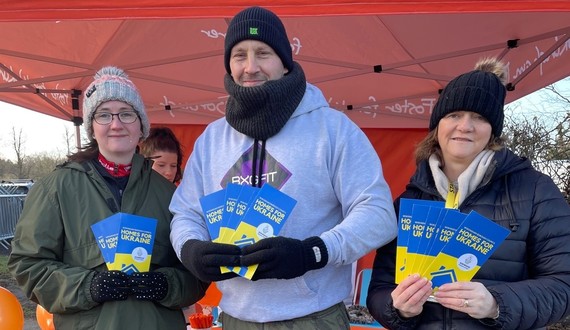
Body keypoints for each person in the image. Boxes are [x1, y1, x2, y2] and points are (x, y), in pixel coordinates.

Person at [169, 6, 398, 329]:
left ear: (284, 61)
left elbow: (378, 215)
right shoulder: (212, 139)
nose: (250, 67)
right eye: (239, 55)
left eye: (263, 53)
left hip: (313, 318)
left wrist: (313, 252)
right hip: (236, 318)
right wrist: (191, 249)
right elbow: (186, 214)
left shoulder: (332, 129)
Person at [366, 58, 570, 329]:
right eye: (454, 115)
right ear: (437, 125)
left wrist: (496, 304)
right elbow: (379, 287)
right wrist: (398, 308)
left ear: (493, 131)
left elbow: (563, 286)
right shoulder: (410, 200)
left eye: (480, 117)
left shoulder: (535, 191)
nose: (465, 126)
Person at [8, 66, 208, 330]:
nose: (116, 124)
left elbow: (197, 270)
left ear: (141, 126)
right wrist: (87, 286)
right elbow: (27, 265)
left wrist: (168, 285)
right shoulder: (55, 188)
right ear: (92, 126)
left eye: (126, 114)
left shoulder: (171, 194)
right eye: (104, 115)